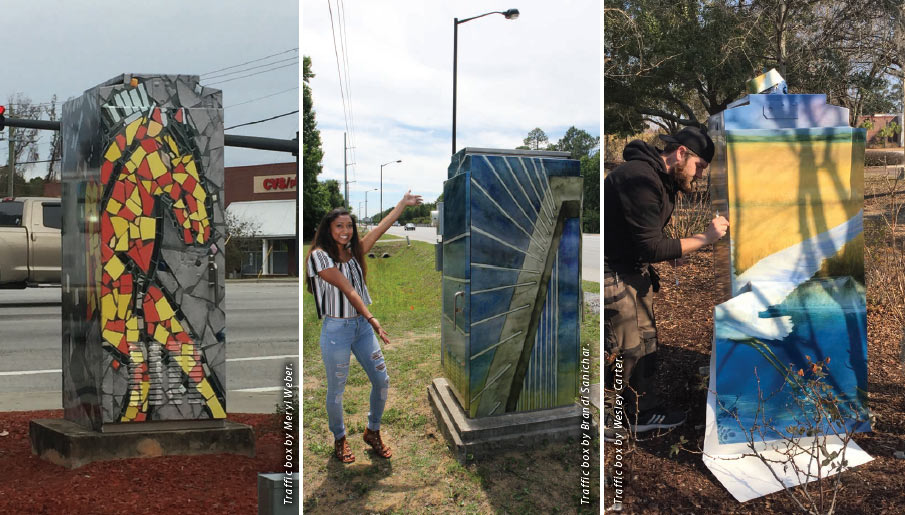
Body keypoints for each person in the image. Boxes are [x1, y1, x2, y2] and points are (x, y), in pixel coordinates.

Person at [603, 126, 729, 439]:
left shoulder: (662, 178)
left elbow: (646, 237)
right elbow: (650, 246)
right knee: (624, 348)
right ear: (681, 153)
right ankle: (607, 418)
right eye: (699, 166)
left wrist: (669, 252)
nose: (699, 175)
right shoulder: (639, 177)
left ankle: (642, 412)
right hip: (611, 272)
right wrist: (706, 237)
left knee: (646, 342)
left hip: (634, 269)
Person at [305, 191, 423, 463]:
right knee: (337, 390)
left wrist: (401, 205)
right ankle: (340, 438)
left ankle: (373, 431)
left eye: (349, 226)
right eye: (339, 226)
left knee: (382, 381)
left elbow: (380, 229)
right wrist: (372, 317)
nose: (345, 231)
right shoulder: (319, 256)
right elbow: (347, 290)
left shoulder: (354, 252)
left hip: (361, 329)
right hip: (337, 331)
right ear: (328, 229)